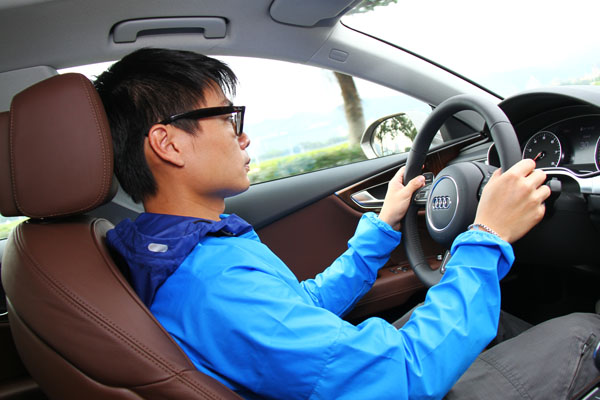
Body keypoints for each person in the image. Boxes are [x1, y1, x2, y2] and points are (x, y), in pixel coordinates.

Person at [94, 48, 600, 399]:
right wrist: (487, 235)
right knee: (584, 331)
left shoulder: (181, 252)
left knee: (502, 322)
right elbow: (405, 374)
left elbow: (299, 309)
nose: (242, 137)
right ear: (168, 143)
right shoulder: (212, 282)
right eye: (229, 119)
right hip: (394, 384)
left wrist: (382, 227)